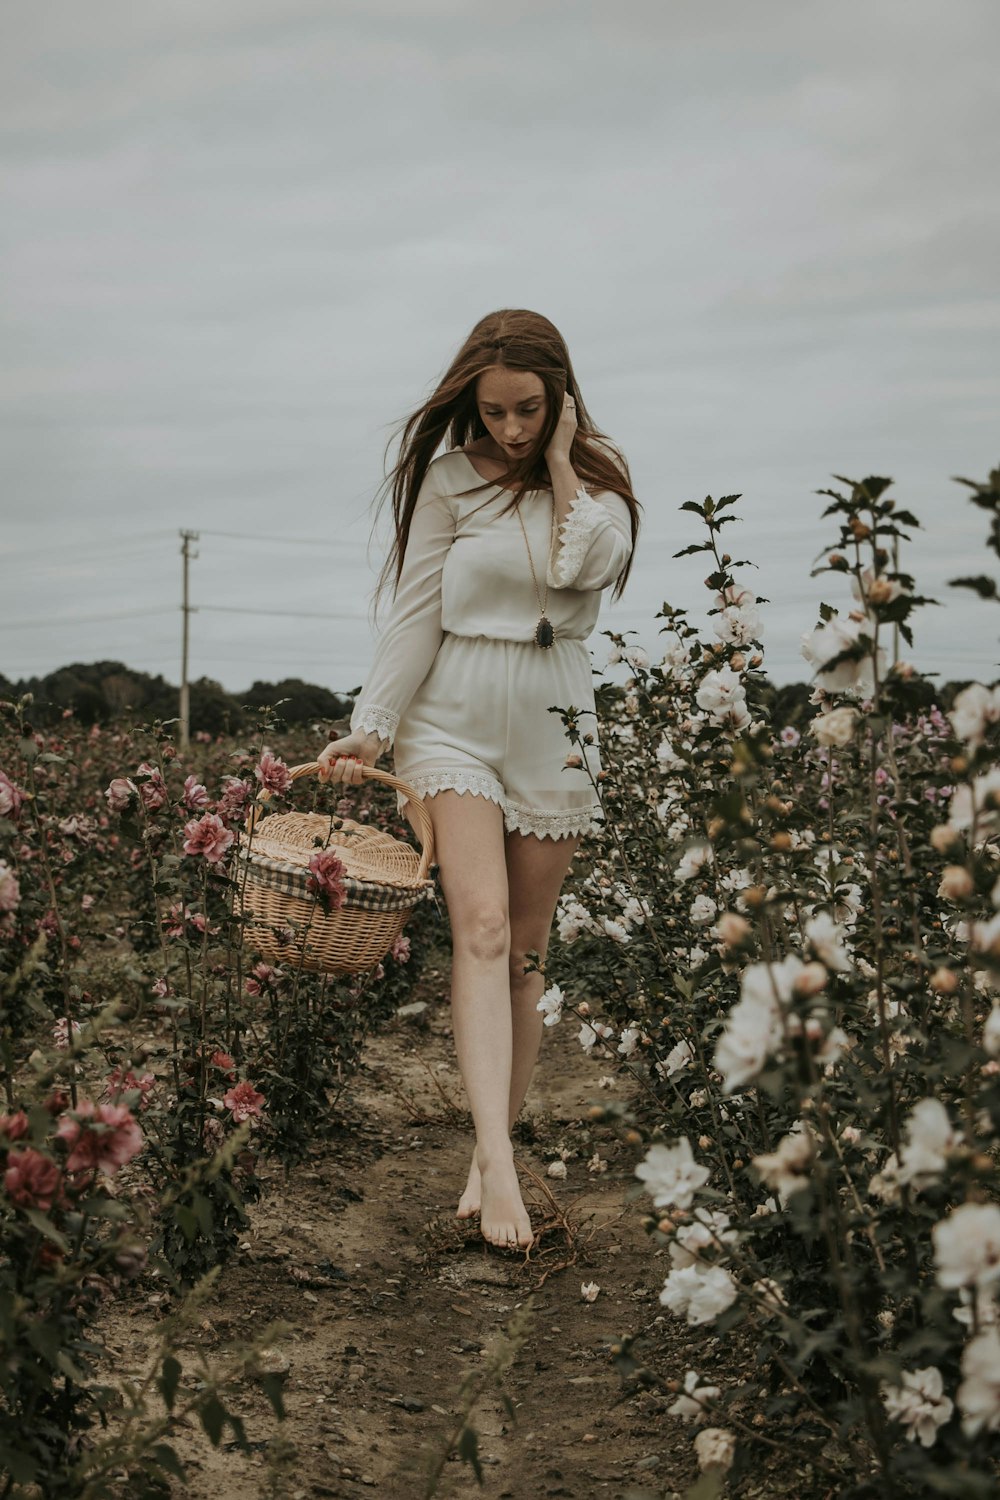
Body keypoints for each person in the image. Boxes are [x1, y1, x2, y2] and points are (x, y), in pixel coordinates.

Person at [317, 309, 641, 1249]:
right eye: (493, 411)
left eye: (530, 410)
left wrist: (566, 458)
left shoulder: (603, 488)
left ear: (561, 397)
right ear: (471, 402)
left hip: (555, 723)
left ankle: (488, 1145)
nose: (509, 428)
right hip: (452, 718)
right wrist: (373, 728)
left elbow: (585, 564)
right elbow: (416, 612)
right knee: (484, 928)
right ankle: (499, 1163)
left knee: (529, 954)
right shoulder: (450, 481)